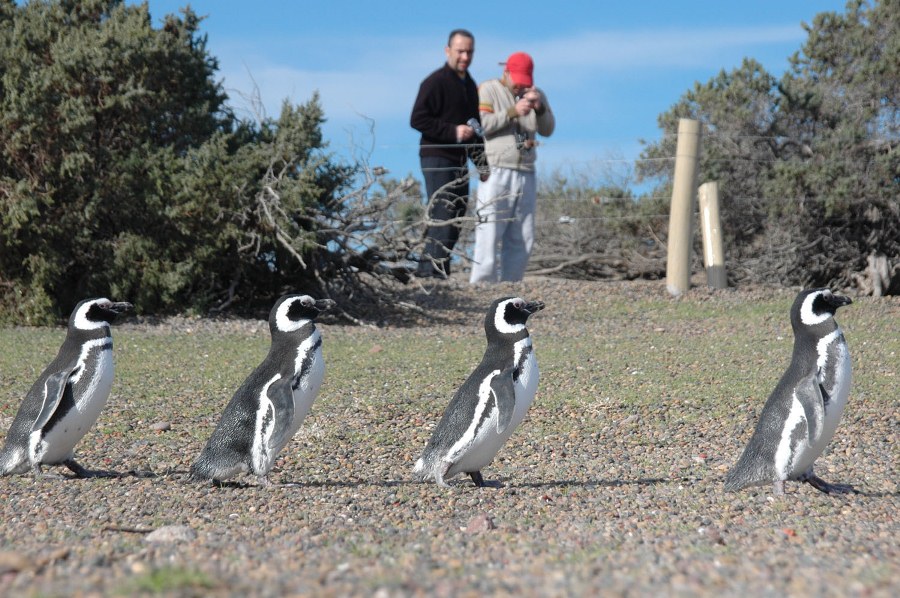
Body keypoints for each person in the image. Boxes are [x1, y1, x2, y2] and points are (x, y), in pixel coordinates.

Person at [469, 51, 554, 284]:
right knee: (489, 229)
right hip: (496, 169)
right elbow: (481, 125)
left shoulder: (536, 94)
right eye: (517, 81)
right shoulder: (488, 89)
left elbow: (548, 129)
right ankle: (482, 284)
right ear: (506, 72)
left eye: (525, 82)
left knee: (523, 234)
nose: (520, 88)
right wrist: (512, 113)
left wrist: (540, 108)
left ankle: (511, 284)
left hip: (526, 170)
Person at [410, 29, 482, 279]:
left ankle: (436, 270)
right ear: (447, 50)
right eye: (460, 51)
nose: (465, 56)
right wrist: (452, 131)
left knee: (458, 214)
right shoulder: (435, 81)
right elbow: (417, 118)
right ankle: (430, 271)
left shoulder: (470, 85)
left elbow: (474, 127)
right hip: (436, 156)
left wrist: (482, 164)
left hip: (460, 160)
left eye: (469, 52)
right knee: (443, 212)